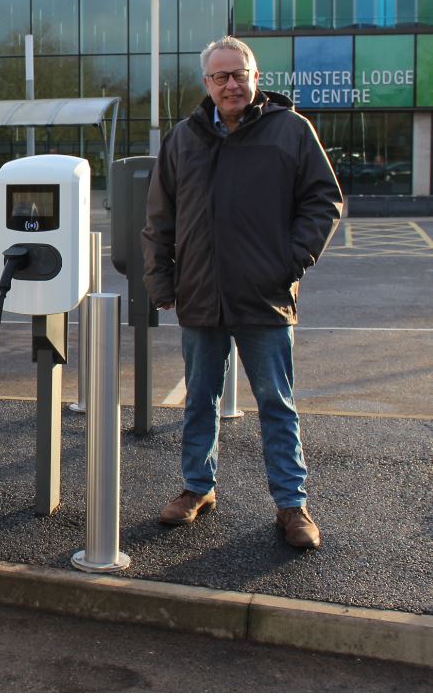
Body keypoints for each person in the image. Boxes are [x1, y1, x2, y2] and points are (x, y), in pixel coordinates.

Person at [141, 35, 343, 550]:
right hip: (201, 295)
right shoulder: (184, 139)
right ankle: (196, 489)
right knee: (199, 402)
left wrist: (289, 261)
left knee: (277, 402)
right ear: (206, 83)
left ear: (256, 77)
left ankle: (292, 505)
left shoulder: (291, 131)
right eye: (219, 77)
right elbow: (160, 219)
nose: (230, 85)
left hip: (265, 297)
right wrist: (161, 281)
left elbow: (324, 201)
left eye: (238, 75)